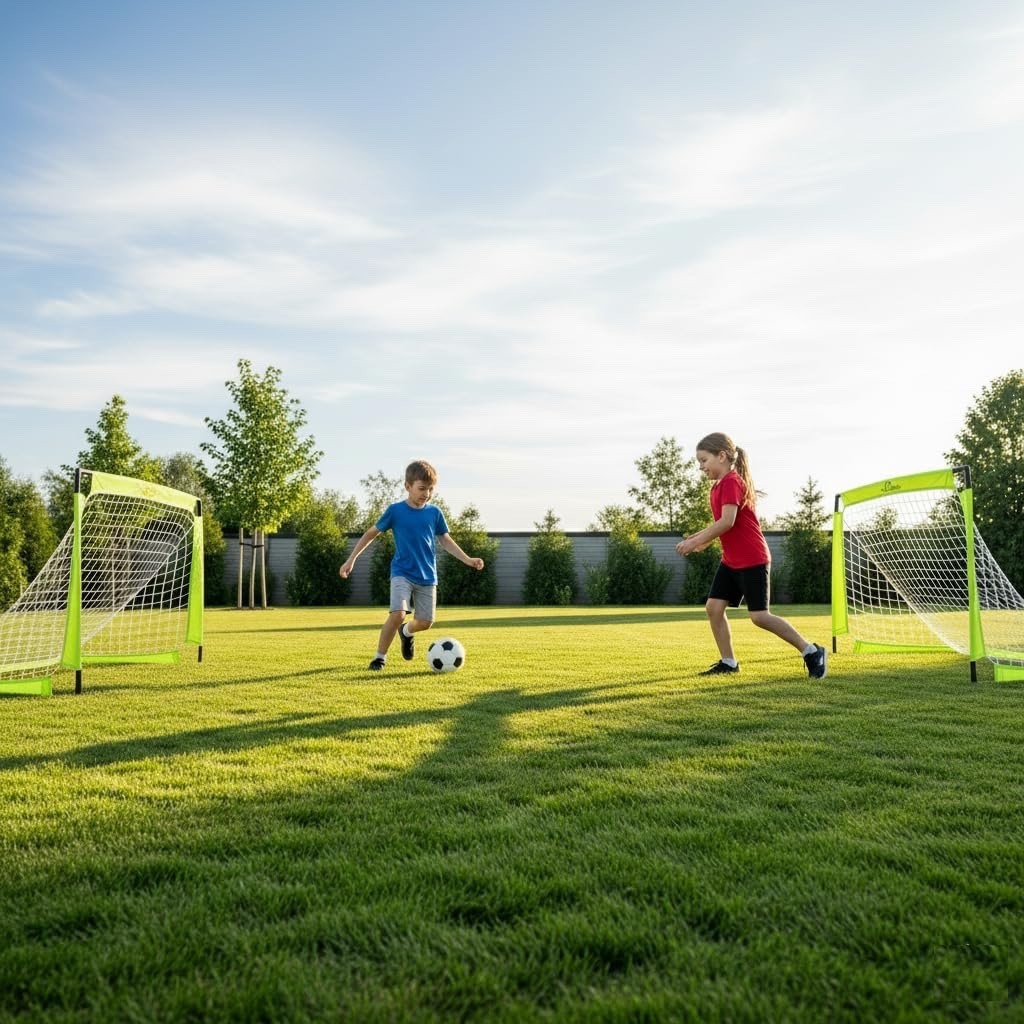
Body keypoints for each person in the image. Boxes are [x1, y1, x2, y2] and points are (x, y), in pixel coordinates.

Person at [676, 432, 827, 679]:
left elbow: (727, 521)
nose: (701, 467)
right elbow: (721, 523)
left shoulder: (732, 481)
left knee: (759, 617)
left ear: (721, 456)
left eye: (703, 461)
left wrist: (698, 541)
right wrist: (695, 540)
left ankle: (811, 652)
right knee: (714, 607)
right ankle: (729, 662)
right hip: (731, 560)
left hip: (753, 559)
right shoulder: (718, 487)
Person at [339, 459, 484, 671]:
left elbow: (445, 540)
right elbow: (371, 534)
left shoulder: (434, 513)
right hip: (402, 573)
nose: (426, 493)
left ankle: (406, 632)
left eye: (431, 489)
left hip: (427, 576)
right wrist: (351, 559)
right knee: (397, 613)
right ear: (408, 487)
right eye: (422, 488)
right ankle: (380, 658)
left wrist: (468, 559)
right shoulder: (395, 511)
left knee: (425, 622)